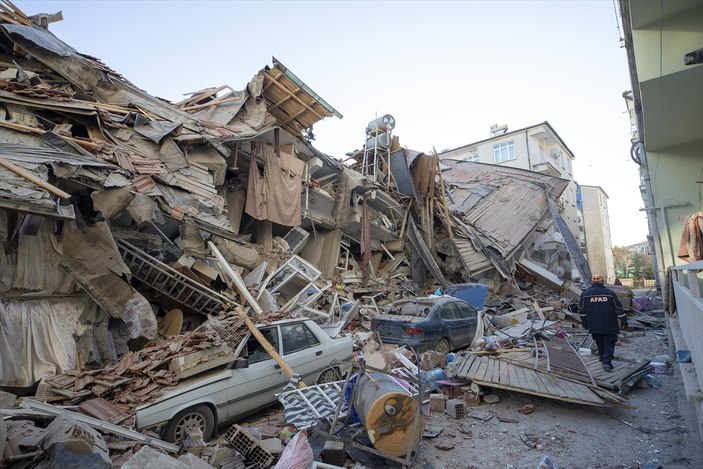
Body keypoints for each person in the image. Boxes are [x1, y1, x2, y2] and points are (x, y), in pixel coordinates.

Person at [578, 275, 627, 372]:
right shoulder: (610, 293)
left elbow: (582, 311)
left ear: (592, 283)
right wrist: (624, 321)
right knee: (609, 342)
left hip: (594, 323)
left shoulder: (585, 294)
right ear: (602, 282)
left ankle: (603, 358)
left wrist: (584, 322)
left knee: (599, 342)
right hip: (610, 323)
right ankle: (607, 362)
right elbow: (619, 309)